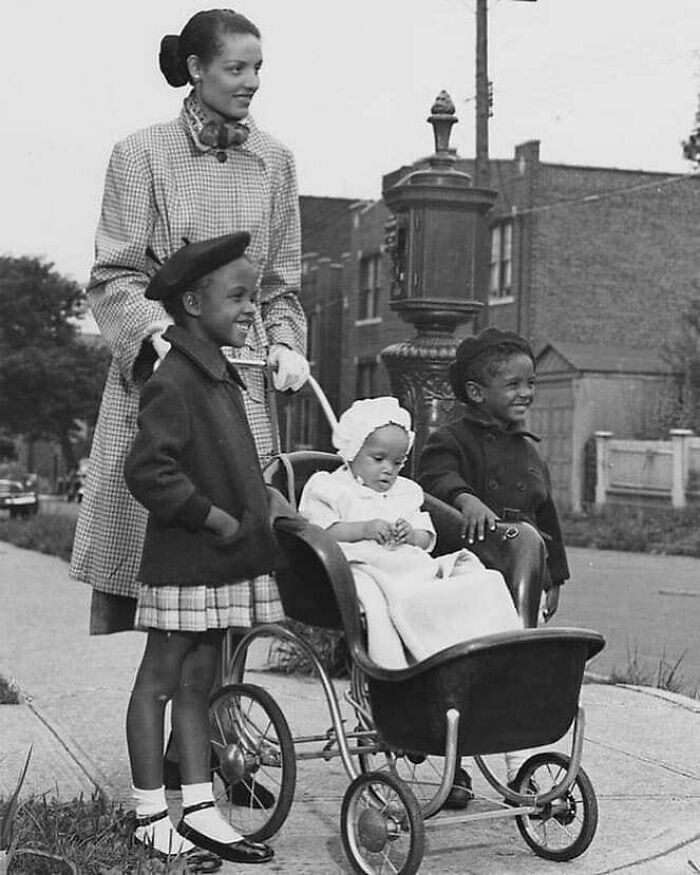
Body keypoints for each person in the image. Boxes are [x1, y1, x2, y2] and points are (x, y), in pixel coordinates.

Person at [71, 8, 308, 636]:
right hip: (165, 380)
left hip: (244, 388)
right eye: (236, 67)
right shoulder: (141, 154)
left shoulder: (276, 161)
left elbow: (283, 283)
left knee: (241, 578)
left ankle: (224, 724)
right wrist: (158, 342)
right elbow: (114, 273)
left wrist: (286, 345)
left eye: (258, 68)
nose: (251, 80)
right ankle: (181, 728)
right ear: (196, 69)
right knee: (173, 582)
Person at [123, 231, 287, 864]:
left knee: (198, 685)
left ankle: (195, 807)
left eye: (255, 297)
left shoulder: (216, 375)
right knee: (160, 682)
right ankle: (146, 815)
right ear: (193, 302)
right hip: (189, 562)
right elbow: (149, 471)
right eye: (239, 296)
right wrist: (215, 519)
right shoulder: (176, 379)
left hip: (217, 564)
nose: (253, 309)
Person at [298, 396, 522, 809]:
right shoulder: (329, 486)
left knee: (481, 581)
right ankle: (399, 686)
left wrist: (409, 533)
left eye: (398, 461)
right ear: (351, 453)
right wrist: (366, 527)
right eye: (378, 458)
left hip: (411, 568)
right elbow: (318, 531)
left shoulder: (407, 491)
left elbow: (427, 535)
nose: (389, 470)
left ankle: (496, 664)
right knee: (388, 601)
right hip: (363, 570)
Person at [417, 326, 570, 627]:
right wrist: (465, 499)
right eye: (513, 385)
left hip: (523, 569)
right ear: (476, 392)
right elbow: (436, 477)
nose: (526, 393)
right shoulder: (451, 439)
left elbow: (546, 520)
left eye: (531, 383)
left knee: (518, 634)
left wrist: (554, 579)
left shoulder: (530, 453)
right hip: (472, 568)